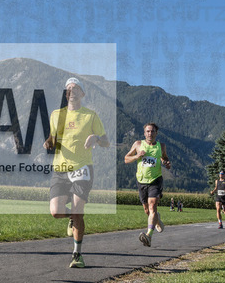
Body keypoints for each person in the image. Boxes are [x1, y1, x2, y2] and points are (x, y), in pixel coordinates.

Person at [43, 77, 109, 268]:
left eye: (76, 88)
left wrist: (96, 138)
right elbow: (52, 137)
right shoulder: (56, 115)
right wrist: (48, 142)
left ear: (82, 93)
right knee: (56, 212)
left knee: (78, 211)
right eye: (69, 88)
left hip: (82, 168)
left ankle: (77, 254)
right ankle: (72, 217)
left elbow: (106, 142)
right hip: (60, 169)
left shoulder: (90, 116)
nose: (72, 91)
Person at [124, 122, 171, 247]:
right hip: (141, 181)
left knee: (152, 205)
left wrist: (166, 163)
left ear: (156, 133)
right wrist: (137, 156)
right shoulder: (138, 144)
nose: (150, 133)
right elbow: (126, 159)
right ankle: (157, 219)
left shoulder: (161, 146)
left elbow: (164, 157)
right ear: (144, 133)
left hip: (155, 180)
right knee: (147, 210)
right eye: (148, 131)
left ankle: (149, 235)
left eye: (152, 131)